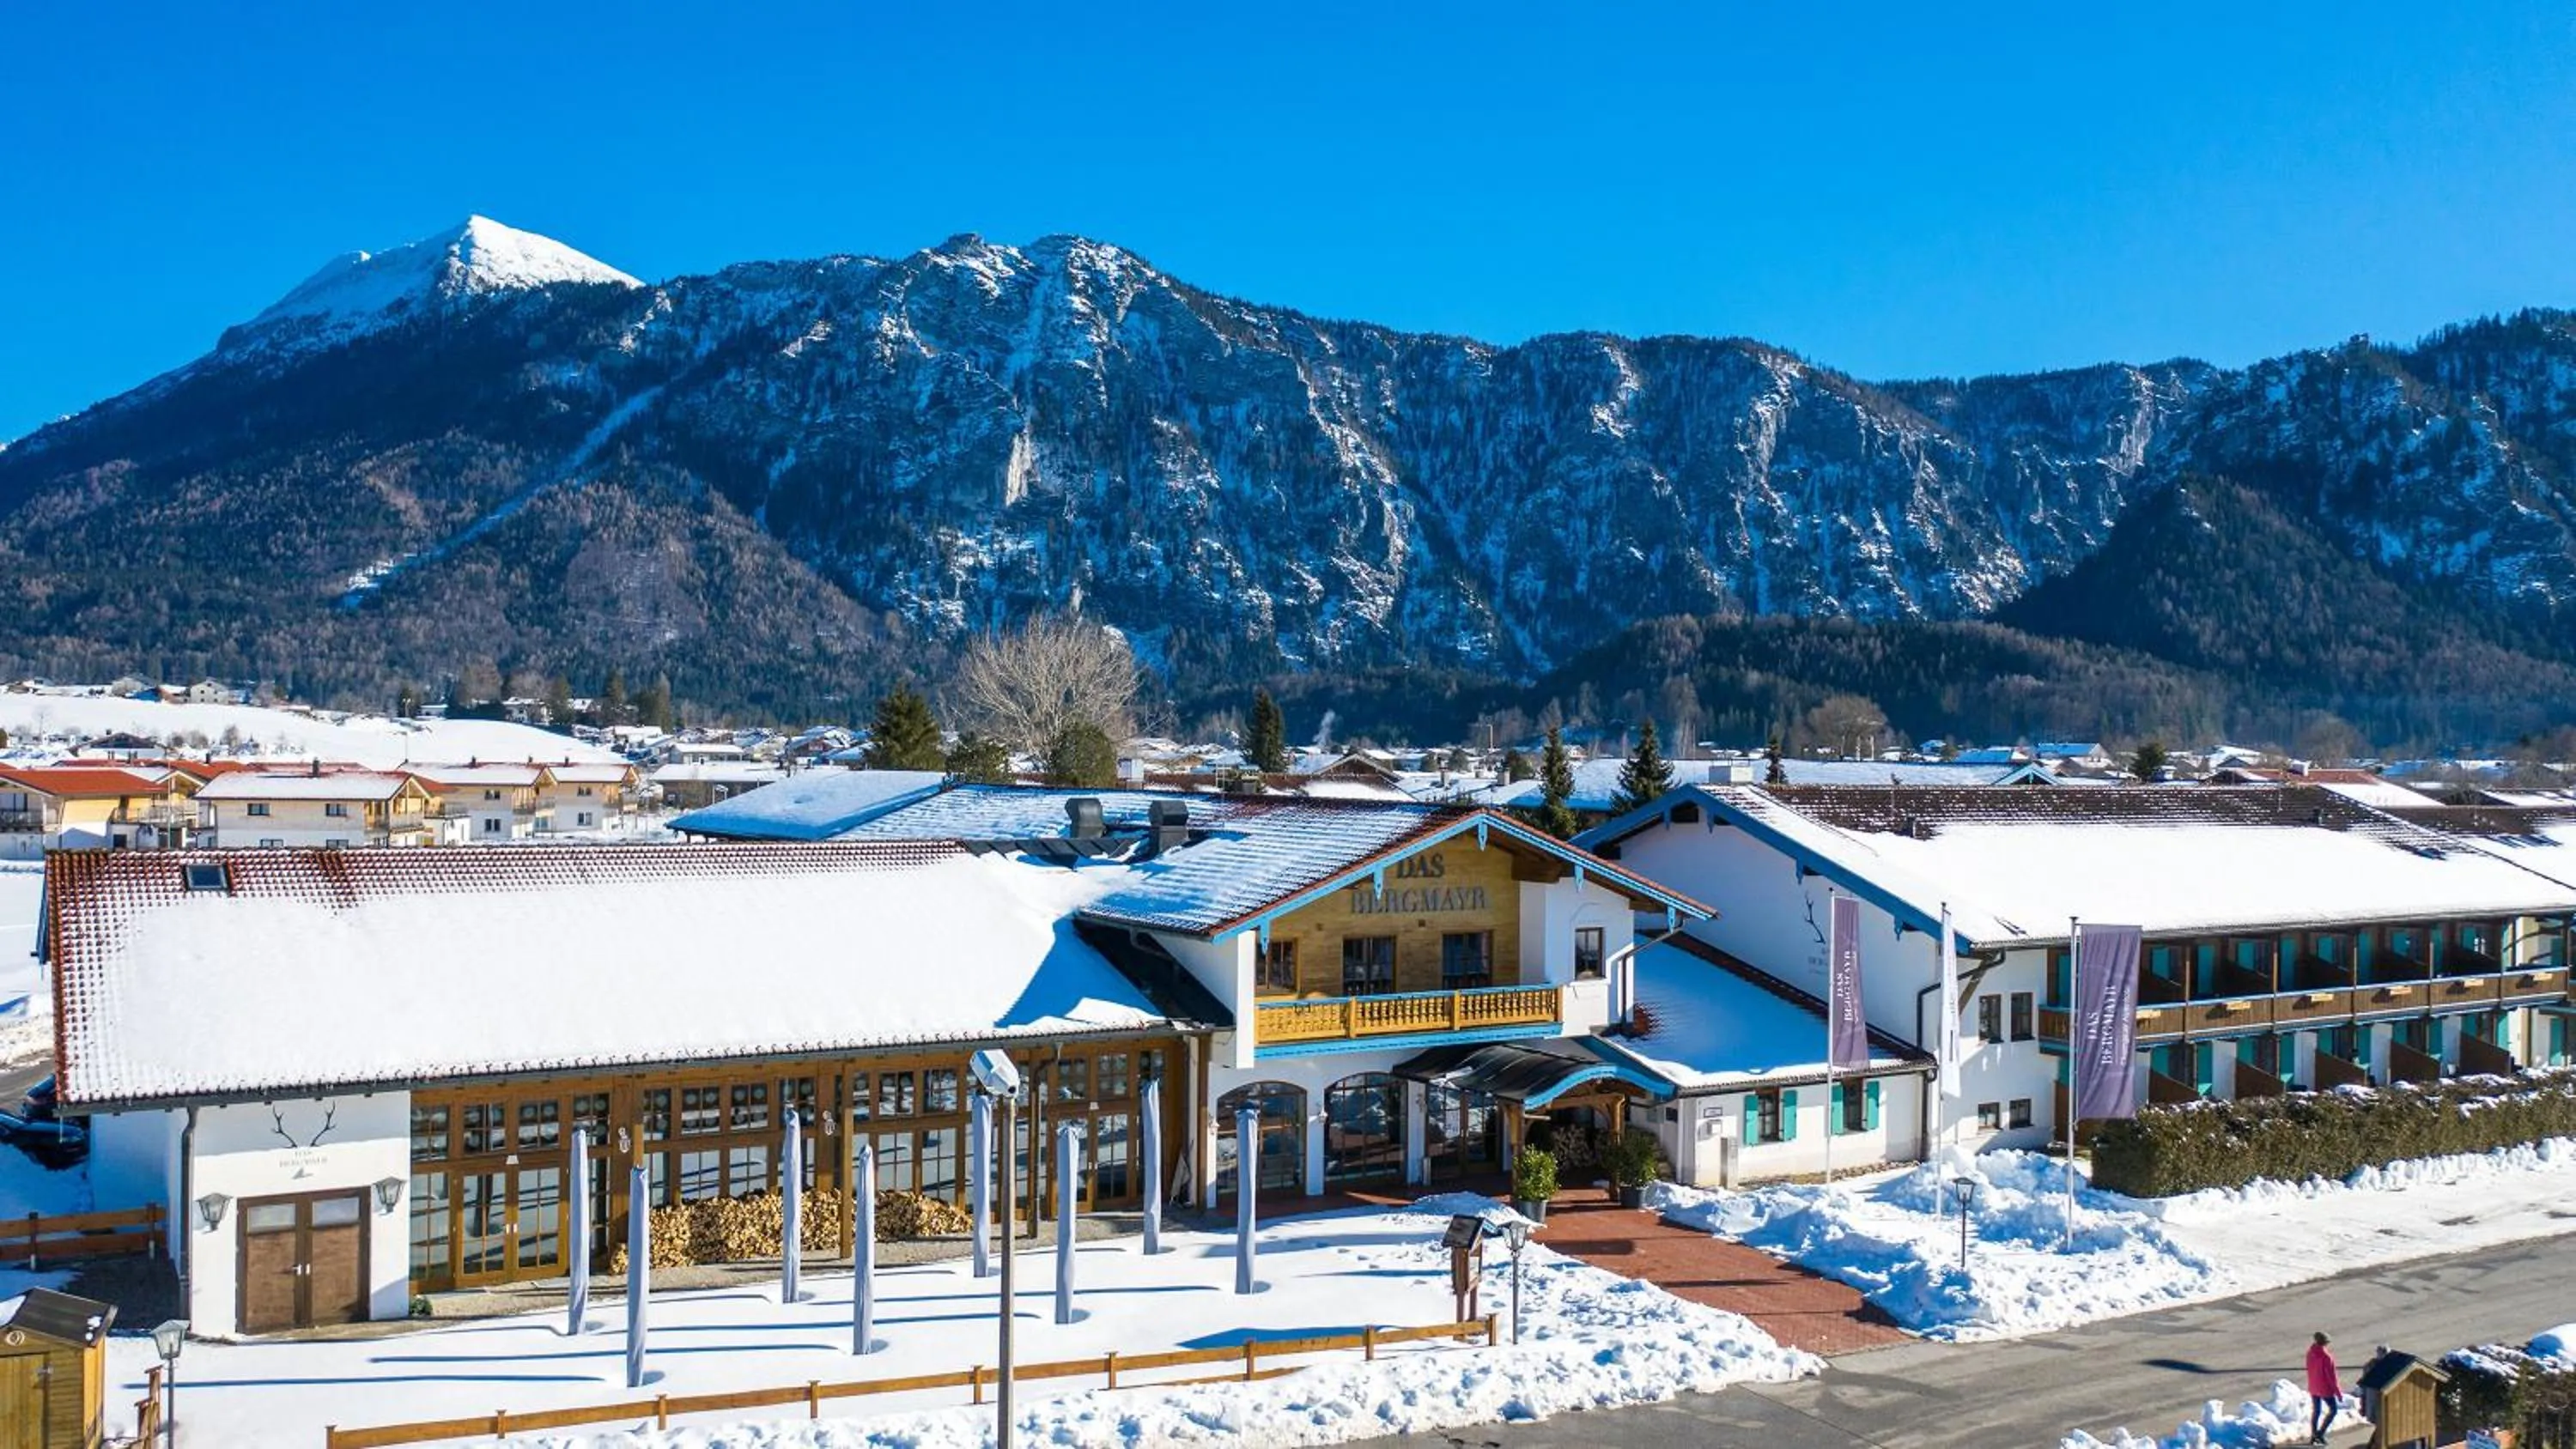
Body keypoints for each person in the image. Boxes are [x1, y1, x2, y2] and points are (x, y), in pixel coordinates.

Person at [2306, 1331, 2342, 1444]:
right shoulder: (2327, 1357)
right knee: (2333, 1410)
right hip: (2325, 1388)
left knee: (2316, 1411)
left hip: (2313, 1386)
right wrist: (2338, 1393)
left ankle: (2313, 1434)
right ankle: (2320, 1434)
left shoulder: (2310, 1352)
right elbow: (2332, 1377)